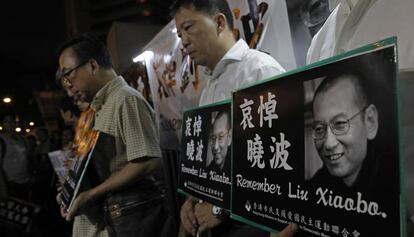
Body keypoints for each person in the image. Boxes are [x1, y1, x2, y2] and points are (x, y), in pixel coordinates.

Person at [171, 0, 297, 236]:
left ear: (219, 22)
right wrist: (193, 197)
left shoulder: (259, 70)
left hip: (253, 223)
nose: (184, 41)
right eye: (179, 34)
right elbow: (209, 163)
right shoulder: (209, 87)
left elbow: (279, 166)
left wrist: (221, 208)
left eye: (188, 28)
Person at [306, 0, 414, 232]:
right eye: (319, 128)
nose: (328, 143)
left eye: (340, 124)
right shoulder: (318, 44)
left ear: (371, 121)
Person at [56, 35, 166, 237]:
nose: (68, 85)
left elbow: (148, 161)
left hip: (119, 221)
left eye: (68, 74)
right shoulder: (96, 108)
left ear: (92, 65)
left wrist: (90, 195)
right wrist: (70, 191)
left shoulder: (125, 99)